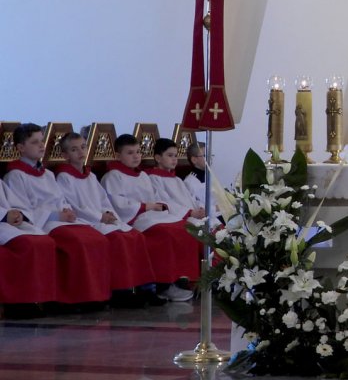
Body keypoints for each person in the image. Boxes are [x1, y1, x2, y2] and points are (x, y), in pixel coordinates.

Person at [3, 123, 112, 305]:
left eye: (42, 141)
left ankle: (96, 295)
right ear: (20, 148)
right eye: (34, 142)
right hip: (45, 222)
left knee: (97, 238)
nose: (41, 145)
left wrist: (66, 210)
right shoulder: (15, 175)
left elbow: (60, 198)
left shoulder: (47, 174)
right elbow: (22, 209)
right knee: (79, 242)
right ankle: (75, 298)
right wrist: (54, 215)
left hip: (61, 219)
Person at [55, 132, 156, 302]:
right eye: (74, 149)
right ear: (65, 155)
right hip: (87, 221)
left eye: (83, 147)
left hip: (102, 218)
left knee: (135, 236)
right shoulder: (64, 177)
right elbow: (74, 206)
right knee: (118, 239)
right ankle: (121, 291)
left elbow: (104, 200)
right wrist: (99, 216)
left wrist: (109, 214)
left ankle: (143, 287)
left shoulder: (90, 175)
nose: (80, 152)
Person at [101, 134, 200, 301]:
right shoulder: (112, 176)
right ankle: (164, 285)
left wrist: (158, 206)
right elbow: (118, 204)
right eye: (130, 153)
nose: (136, 156)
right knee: (166, 233)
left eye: (138, 152)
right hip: (137, 218)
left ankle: (183, 279)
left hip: (154, 215)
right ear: (118, 156)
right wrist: (146, 207)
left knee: (185, 228)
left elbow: (156, 197)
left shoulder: (143, 176)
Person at [0, 176, 58, 312]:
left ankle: (42, 299)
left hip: (9, 223)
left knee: (45, 242)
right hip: (3, 222)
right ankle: (20, 303)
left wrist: (19, 213)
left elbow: (16, 203)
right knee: (26, 244)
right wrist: (4, 215)